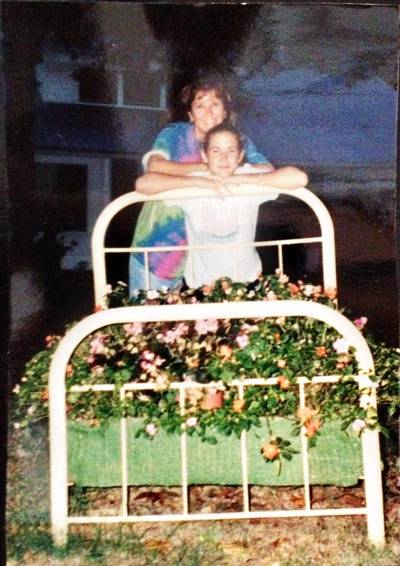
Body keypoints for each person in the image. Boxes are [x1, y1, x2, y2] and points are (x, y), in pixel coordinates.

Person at [129, 75, 272, 293]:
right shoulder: (175, 134)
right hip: (159, 250)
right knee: (148, 313)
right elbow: (154, 166)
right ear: (190, 114)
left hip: (202, 261)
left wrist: (234, 175)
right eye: (200, 105)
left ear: (225, 111)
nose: (208, 112)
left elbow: (266, 169)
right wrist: (205, 173)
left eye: (215, 104)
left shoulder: (235, 140)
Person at [135, 123, 308, 288]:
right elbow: (143, 184)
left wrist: (241, 179)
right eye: (215, 150)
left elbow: (298, 178)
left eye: (231, 150)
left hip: (246, 282)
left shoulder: (248, 176)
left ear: (240, 156)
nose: (223, 158)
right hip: (201, 286)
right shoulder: (192, 181)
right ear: (204, 155)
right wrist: (201, 182)